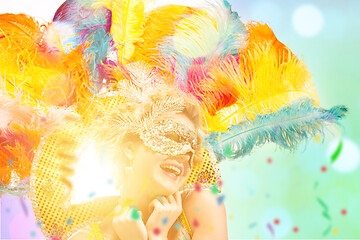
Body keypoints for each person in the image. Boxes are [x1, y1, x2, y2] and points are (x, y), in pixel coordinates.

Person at [68, 62, 228, 240]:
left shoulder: (202, 206)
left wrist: (155, 236)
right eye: (170, 137)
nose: (184, 154)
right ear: (129, 149)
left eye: (192, 147)